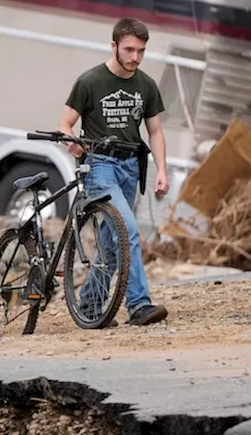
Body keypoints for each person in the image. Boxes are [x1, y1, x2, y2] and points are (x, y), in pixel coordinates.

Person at [56, 17, 170, 327]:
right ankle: (139, 305)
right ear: (114, 46)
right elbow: (65, 123)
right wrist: (73, 142)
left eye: (141, 51)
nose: (135, 57)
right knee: (127, 229)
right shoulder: (90, 81)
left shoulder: (145, 85)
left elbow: (155, 131)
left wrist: (162, 170)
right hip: (100, 166)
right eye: (130, 49)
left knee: (110, 245)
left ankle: (91, 307)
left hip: (131, 167)